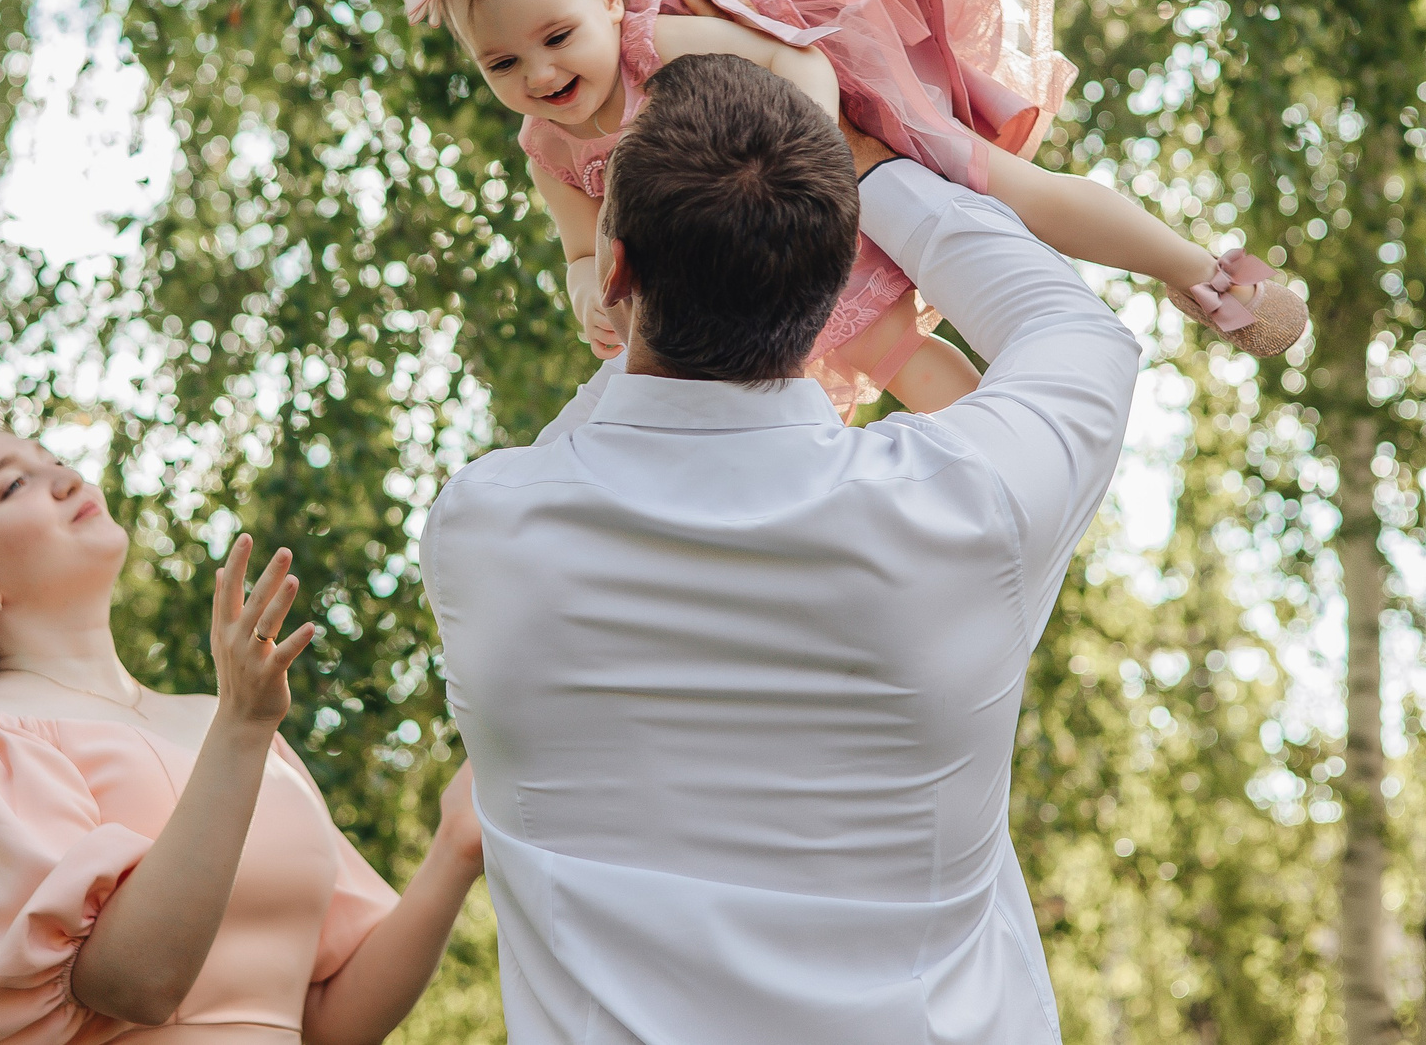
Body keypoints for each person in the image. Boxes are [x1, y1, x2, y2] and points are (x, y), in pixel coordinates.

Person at [421, 54, 1146, 1042]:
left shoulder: (485, 530)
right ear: (833, 282)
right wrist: (881, 171)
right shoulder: (965, 508)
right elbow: (1079, 334)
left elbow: (594, 437)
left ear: (617, 268)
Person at [395, 0, 1303, 415]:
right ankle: (998, 451)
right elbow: (578, 243)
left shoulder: (652, 38)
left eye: (556, 38)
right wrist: (593, 294)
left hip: (834, 137)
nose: (541, 76)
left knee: (999, 187)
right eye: (502, 63)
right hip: (761, 223)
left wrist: (826, 181)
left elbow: (802, 69)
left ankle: (1202, 272)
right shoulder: (547, 145)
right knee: (876, 345)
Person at [0, 420, 485, 1045]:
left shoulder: (225, 717)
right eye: (11, 485)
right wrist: (244, 725)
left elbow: (331, 1020)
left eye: (50, 460)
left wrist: (456, 845)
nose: (62, 478)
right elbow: (137, 981)